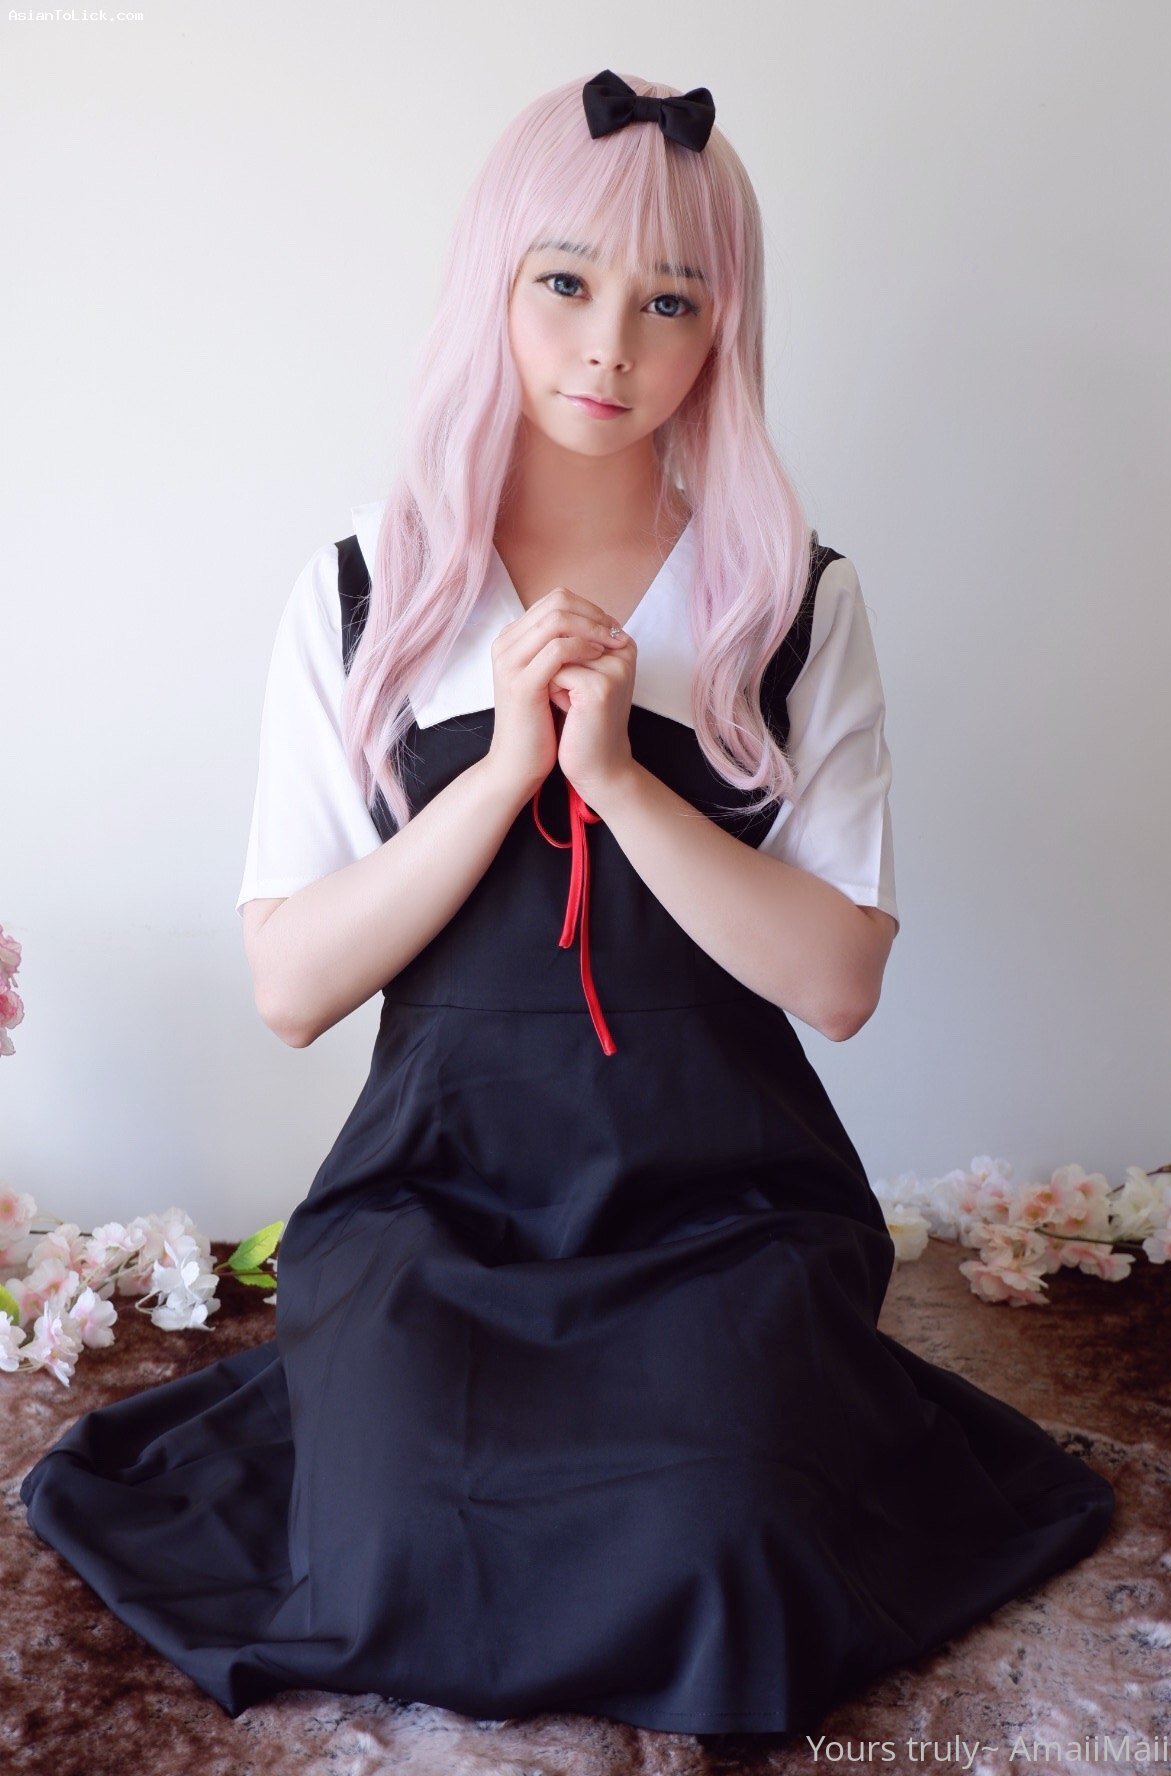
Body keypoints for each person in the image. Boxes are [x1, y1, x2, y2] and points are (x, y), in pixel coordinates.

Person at [21, 69, 1115, 1737]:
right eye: (565, 283)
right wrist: (498, 776)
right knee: (395, 1544)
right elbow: (289, 986)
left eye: (669, 301)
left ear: (720, 332)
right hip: (432, 1201)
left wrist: (619, 777)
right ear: (495, 285)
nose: (611, 346)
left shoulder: (790, 604)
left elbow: (839, 983)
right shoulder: (367, 592)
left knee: (722, 1543)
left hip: (725, 1210)